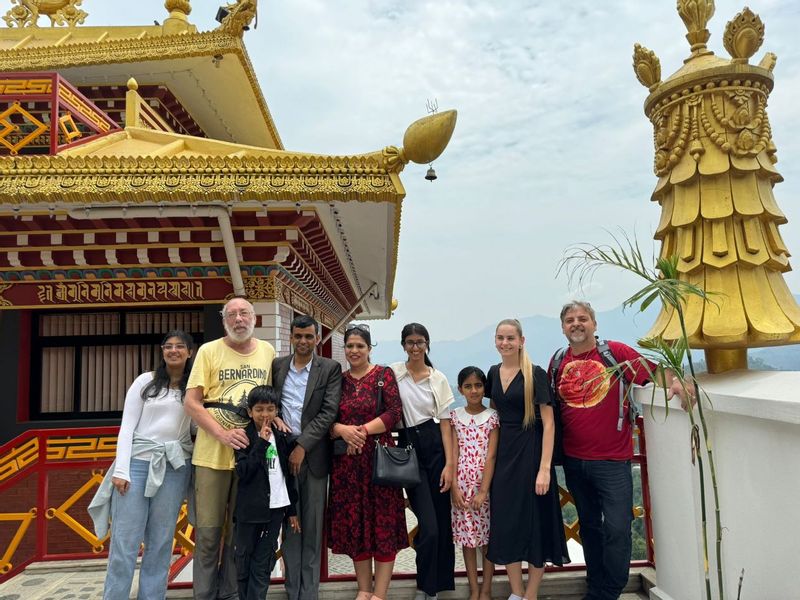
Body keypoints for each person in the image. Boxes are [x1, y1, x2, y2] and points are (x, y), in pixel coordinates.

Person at [551, 301, 686, 600]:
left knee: (616, 527)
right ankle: (595, 585)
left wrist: (678, 382)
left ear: (594, 324)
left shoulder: (615, 353)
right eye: (570, 320)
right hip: (574, 460)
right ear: (562, 327)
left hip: (613, 460)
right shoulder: (558, 360)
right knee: (589, 527)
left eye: (583, 318)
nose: (576, 324)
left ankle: (609, 591)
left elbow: (651, 373)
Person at [89, 330, 195, 600]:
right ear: (162, 351)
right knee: (125, 542)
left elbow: (195, 427)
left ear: (190, 352)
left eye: (180, 346)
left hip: (173, 467)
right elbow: (127, 427)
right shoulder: (145, 381)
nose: (173, 351)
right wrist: (122, 469)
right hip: (137, 464)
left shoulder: (194, 387)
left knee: (160, 543)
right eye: (168, 346)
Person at [184, 298, 276, 600]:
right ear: (224, 320)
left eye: (245, 313)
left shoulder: (267, 352)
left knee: (239, 533)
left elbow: (271, 401)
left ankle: (230, 593)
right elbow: (192, 402)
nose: (239, 319)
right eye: (232, 314)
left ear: (255, 319)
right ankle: (204, 595)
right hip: (212, 454)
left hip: (250, 457)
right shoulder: (209, 351)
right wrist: (222, 434)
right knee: (209, 534)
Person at [487, 318, 569, 600]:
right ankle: (516, 592)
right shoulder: (493, 373)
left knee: (535, 523)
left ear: (522, 340)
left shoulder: (535, 374)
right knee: (506, 522)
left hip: (532, 452)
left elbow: (549, 424)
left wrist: (544, 469)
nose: (505, 343)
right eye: (500, 338)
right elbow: (493, 414)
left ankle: (531, 594)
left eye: (510, 338)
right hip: (504, 455)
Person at [327, 324, 408, 600]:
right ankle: (364, 589)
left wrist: (359, 432)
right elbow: (327, 417)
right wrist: (341, 430)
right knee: (356, 525)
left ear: (370, 348)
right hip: (347, 466)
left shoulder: (383, 376)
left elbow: (394, 412)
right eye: (350, 345)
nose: (354, 350)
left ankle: (380, 593)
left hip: (379, 462)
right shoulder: (338, 380)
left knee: (382, 525)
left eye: (360, 345)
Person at [270, 315, 342, 600]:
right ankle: (292, 591)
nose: (303, 342)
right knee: (289, 525)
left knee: (312, 528)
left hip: (313, 458)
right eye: (298, 336)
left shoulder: (329, 368)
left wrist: (302, 445)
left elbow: (328, 412)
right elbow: (271, 404)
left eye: (309, 337)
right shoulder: (278, 366)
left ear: (316, 338)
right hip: (282, 457)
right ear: (290, 337)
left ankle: (309, 593)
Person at [391, 323, 456, 600]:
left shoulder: (437, 378)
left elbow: (445, 424)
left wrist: (450, 465)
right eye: (410, 342)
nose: (415, 348)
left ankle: (437, 587)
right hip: (408, 447)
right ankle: (424, 585)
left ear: (427, 344)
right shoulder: (394, 373)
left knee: (442, 523)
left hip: (436, 448)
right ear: (403, 345)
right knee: (428, 527)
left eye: (420, 342)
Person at [233, 385, 300, 600]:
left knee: (263, 561)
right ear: (250, 411)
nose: (265, 415)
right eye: (259, 409)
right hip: (250, 510)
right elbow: (244, 471)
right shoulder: (244, 436)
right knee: (244, 560)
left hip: (276, 509)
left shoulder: (282, 437)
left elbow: (287, 477)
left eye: (270, 409)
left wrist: (292, 510)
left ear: (277, 411)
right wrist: (261, 442)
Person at [449, 366, 499, 600]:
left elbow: (491, 456)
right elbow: (454, 454)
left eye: (478, 385)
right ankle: (474, 590)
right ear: (460, 389)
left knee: (487, 541)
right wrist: (454, 489)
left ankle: (487, 589)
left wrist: (483, 491)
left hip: (485, 487)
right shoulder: (455, 417)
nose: (474, 390)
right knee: (468, 542)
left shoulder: (492, 417)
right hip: (461, 487)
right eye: (468, 386)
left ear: (484, 388)